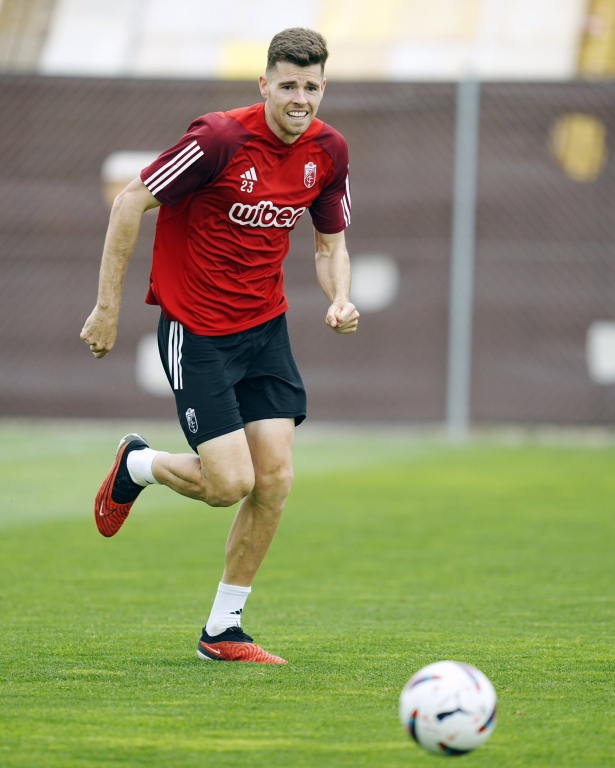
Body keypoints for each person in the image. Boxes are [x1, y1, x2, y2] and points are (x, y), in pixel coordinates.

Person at [80, 27, 359, 665]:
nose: (300, 98)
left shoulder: (330, 151)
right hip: (197, 329)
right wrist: (105, 308)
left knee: (276, 479)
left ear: (323, 87)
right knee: (229, 483)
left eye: (311, 87)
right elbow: (130, 202)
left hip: (265, 330)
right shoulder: (219, 139)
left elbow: (329, 244)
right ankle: (137, 465)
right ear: (264, 84)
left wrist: (338, 297)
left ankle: (223, 631)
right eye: (287, 85)